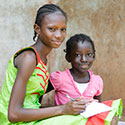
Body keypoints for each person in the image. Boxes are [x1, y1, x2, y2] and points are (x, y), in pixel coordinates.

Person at [0, 4, 93, 125]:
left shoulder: (42, 60)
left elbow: (34, 101)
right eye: (52, 29)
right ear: (37, 29)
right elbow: (13, 114)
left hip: (30, 119)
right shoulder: (29, 58)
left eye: (63, 29)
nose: (59, 35)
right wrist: (63, 109)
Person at [49, 33, 123, 125]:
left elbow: (98, 107)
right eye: (77, 55)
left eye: (89, 54)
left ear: (94, 56)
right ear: (68, 57)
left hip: (88, 122)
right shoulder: (60, 78)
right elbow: (38, 94)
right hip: (66, 122)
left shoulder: (97, 81)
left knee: (113, 114)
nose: (84, 59)